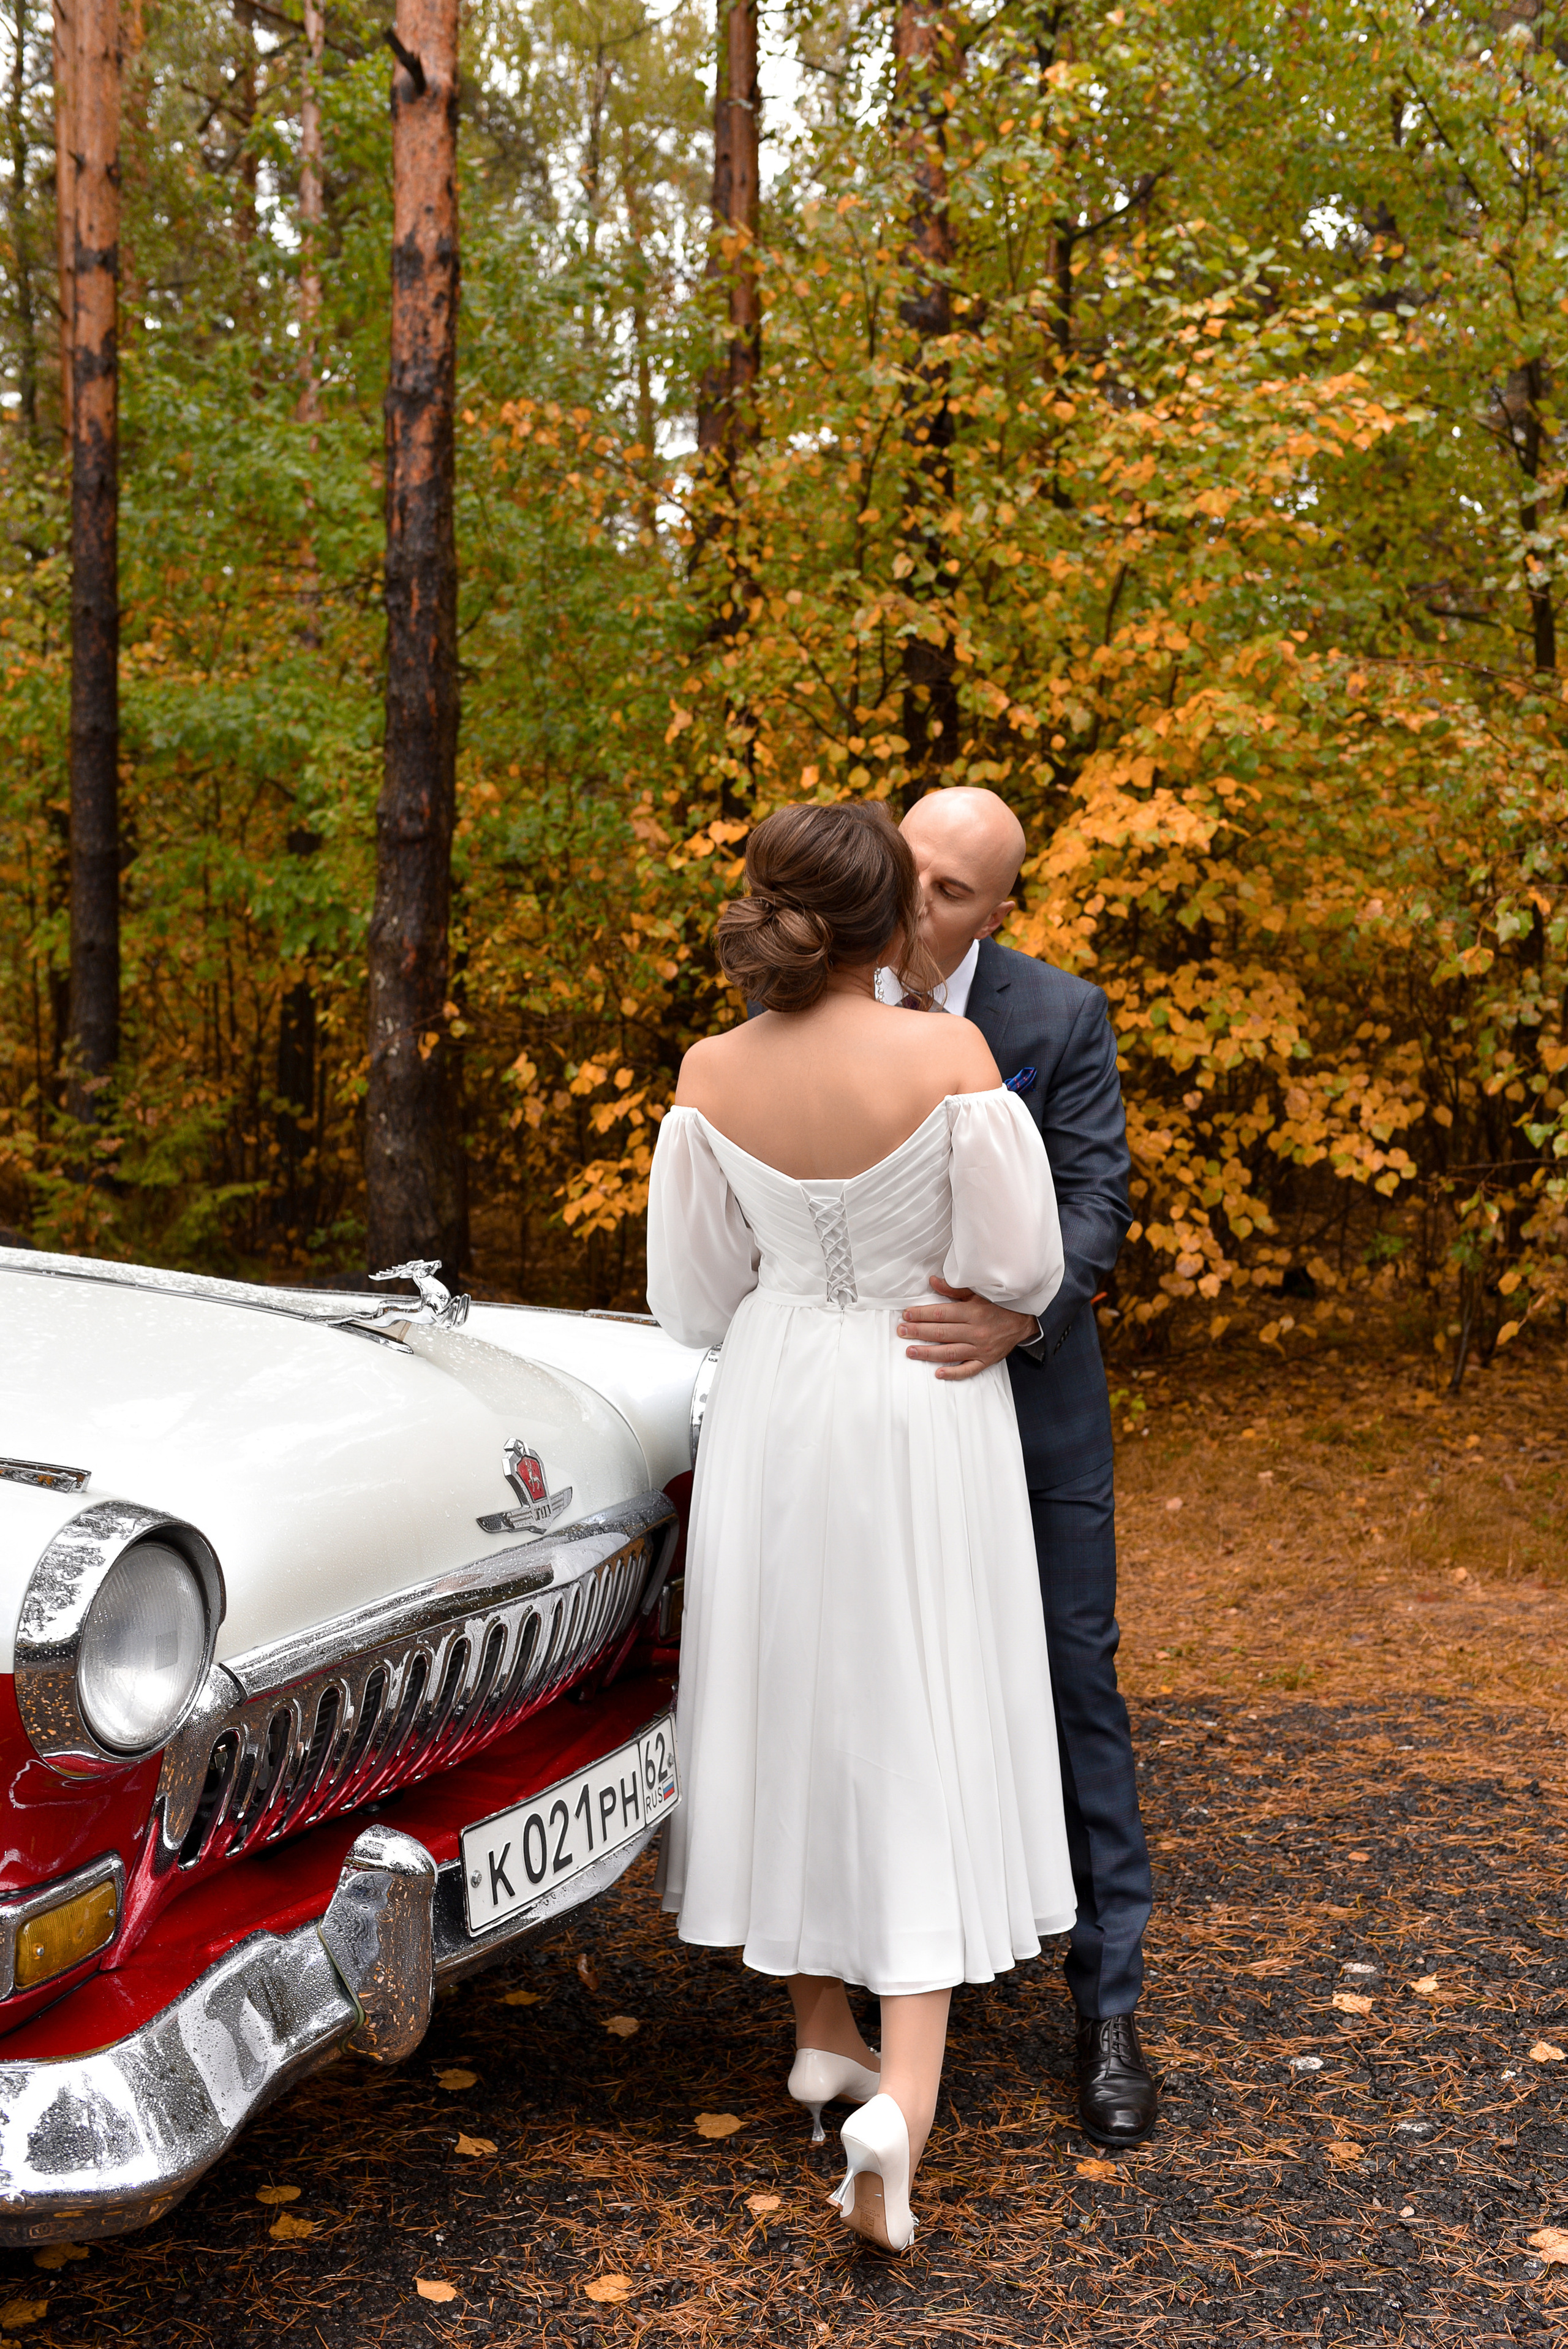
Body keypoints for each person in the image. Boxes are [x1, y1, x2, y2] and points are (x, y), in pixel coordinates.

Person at [645, 801, 1076, 2252]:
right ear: (890, 921)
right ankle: (897, 2097)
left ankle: (816, 2029)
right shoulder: (947, 1056)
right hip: (918, 1386)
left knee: (797, 1692)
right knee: (915, 1702)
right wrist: (977, 1299)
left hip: (776, 1400)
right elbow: (1015, 1259)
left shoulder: (706, 1074)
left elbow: (693, 1303)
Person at [884, 786, 1157, 2149]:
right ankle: (901, 1989)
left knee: (1069, 1682)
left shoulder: (1059, 1016)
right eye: (907, 874)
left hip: (1034, 1408)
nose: (918, 907)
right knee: (899, 1687)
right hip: (883, 1419)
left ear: (998, 910)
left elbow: (1097, 1199)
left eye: (950, 892)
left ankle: (1106, 2006)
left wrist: (1020, 1314)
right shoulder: (828, 1003)